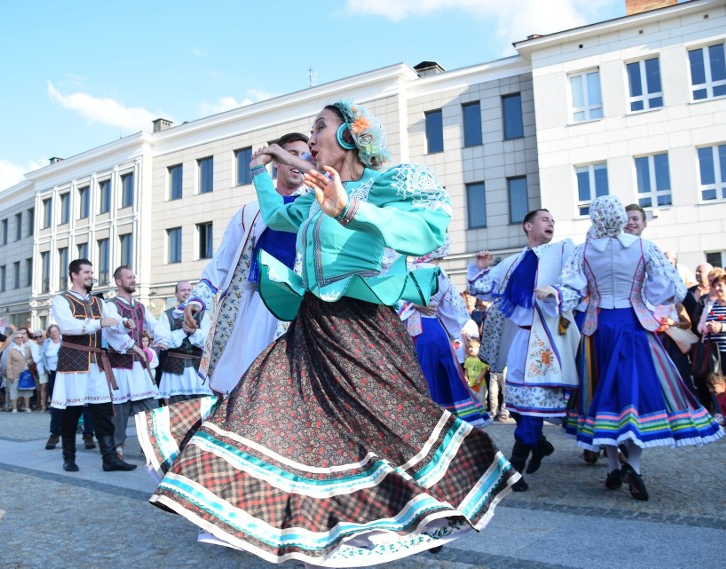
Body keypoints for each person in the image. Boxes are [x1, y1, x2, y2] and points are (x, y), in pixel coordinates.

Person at [135, 100, 517, 566]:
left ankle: (416, 509)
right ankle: (276, 515)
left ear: (351, 136)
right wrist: (261, 172)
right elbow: (277, 217)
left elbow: (427, 231)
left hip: (363, 329)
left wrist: (350, 208)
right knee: (263, 405)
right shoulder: (315, 197)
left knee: (387, 429)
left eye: (321, 127)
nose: (312, 138)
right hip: (310, 324)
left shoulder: (384, 185)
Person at [537, 195, 723, 501]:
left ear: (596, 218)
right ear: (620, 218)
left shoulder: (584, 251)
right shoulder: (643, 247)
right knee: (633, 396)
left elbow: (569, 292)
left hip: (599, 331)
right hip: (635, 327)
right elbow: (672, 287)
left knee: (603, 398)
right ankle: (633, 467)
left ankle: (612, 465)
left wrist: (552, 294)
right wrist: (646, 300)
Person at [183, 132, 311, 395]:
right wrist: (198, 300)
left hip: (302, 307)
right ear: (276, 161)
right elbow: (223, 262)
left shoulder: (314, 207)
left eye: (306, 156)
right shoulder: (249, 213)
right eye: (292, 154)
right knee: (251, 382)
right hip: (258, 307)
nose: (299, 162)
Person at [468, 209, 579, 491]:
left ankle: (514, 468)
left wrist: (555, 290)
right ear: (528, 226)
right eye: (545, 219)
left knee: (531, 404)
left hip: (547, 341)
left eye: (553, 219)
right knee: (519, 401)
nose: (551, 222)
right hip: (521, 340)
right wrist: (481, 266)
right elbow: (482, 289)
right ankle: (538, 444)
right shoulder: (514, 262)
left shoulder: (562, 251)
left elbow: (575, 281)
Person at [50, 258, 136, 472]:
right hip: (73, 361)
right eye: (86, 272)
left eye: (91, 272)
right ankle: (68, 457)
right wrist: (99, 323)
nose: (90, 275)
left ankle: (109, 458)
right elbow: (68, 326)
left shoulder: (100, 303)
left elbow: (113, 324)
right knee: (71, 411)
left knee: (103, 411)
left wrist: (125, 325)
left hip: (97, 362)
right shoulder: (61, 300)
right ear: (74, 275)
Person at [401, 242, 490, 425]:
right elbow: (454, 312)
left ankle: (418, 420)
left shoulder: (407, 270)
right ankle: (446, 420)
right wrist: (452, 332)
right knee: (440, 374)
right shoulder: (440, 274)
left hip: (409, 330)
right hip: (434, 329)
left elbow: (393, 300)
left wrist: (410, 305)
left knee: (416, 374)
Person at [103, 265, 166, 461]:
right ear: (119, 281)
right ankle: (117, 445)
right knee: (119, 408)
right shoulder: (110, 305)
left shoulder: (140, 307)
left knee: (149, 404)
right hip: (119, 363)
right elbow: (110, 332)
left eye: (134, 277)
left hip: (138, 364)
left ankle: (149, 444)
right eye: (129, 277)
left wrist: (162, 339)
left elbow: (154, 325)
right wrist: (132, 345)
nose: (134, 280)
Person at [157, 280, 211, 403]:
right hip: (174, 370)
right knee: (175, 407)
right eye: (182, 290)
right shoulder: (167, 315)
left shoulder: (202, 314)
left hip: (197, 368)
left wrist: (194, 332)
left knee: (202, 406)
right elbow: (164, 340)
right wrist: (183, 332)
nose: (186, 293)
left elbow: (208, 341)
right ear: (175, 294)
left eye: (189, 290)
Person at [5, 329, 36, 413]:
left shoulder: (27, 349)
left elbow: (32, 358)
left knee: (27, 391)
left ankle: (27, 407)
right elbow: (8, 363)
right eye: (17, 338)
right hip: (15, 373)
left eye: (21, 337)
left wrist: (30, 361)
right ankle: (14, 407)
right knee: (14, 390)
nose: (20, 339)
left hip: (26, 372)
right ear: (14, 339)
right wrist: (10, 374)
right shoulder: (11, 350)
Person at [43, 324, 63, 450]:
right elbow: (43, 355)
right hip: (53, 372)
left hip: (70, 371)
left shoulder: (64, 340)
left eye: (56, 331)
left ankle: (88, 434)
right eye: (52, 331)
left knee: (84, 405)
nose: (54, 333)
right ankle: (55, 433)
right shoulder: (47, 343)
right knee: (56, 402)